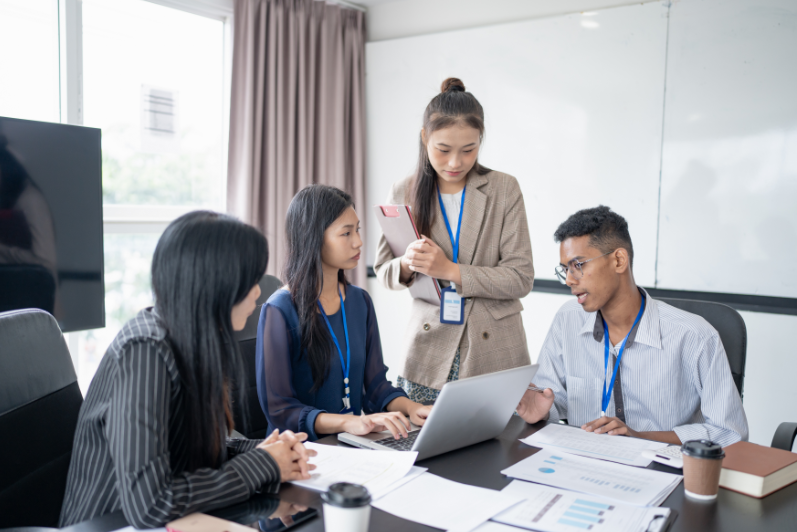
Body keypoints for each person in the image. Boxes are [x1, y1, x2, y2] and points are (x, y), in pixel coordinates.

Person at [60, 212, 315, 528]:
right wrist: (262, 463)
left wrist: (267, 451)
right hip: (113, 524)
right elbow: (149, 505)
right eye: (249, 281)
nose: (258, 292)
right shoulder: (145, 349)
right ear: (214, 283)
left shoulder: (196, 339)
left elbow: (194, 447)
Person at [516, 206, 748, 446]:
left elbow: (730, 432)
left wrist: (639, 438)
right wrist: (543, 409)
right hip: (583, 463)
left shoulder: (694, 337)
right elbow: (555, 398)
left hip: (664, 471)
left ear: (618, 260)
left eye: (578, 265)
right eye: (565, 269)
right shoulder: (568, 318)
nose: (570, 280)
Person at [373, 77, 535, 403]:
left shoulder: (504, 189)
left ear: (481, 140)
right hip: (428, 348)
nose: (455, 163)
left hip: (496, 350)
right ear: (424, 138)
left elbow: (521, 278)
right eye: (443, 149)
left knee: (501, 449)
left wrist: (450, 270)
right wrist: (407, 262)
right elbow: (383, 271)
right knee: (420, 447)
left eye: (469, 149)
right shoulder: (404, 190)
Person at [256, 185, 431, 442]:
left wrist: (412, 408)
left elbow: (375, 387)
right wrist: (349, 422)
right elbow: (280, 410)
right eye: (346, 233)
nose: (358, 241)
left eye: (357, 230)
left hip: (353, 443)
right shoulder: (279, 309)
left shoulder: (360, 301)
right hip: (301, 452)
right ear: (312, 237)